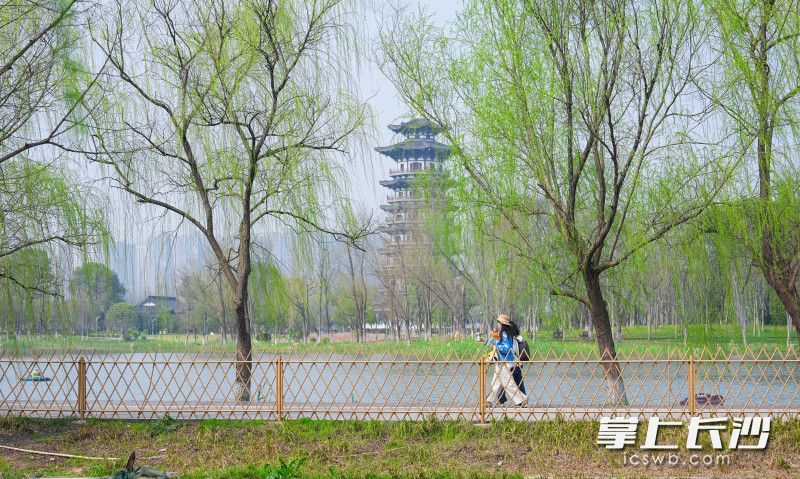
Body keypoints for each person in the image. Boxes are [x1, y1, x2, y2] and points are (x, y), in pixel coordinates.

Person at [480, 314, 527, 407]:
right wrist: (486, 341)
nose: (497, 324)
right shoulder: (504, 333)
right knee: (496, 383)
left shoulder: (505, 334)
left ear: (502, 323)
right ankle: (489, 402)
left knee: (509, 384)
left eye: (498, 322)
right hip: (502, 362)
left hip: (505, 362)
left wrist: (493, 346)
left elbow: (506, 348)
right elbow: (498, 344)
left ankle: (522, 400)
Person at [497, 319, 527, 405]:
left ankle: (502, 400)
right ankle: (522, 400)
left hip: (511, 364)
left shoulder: (510, 339)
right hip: (519, 363)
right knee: (519, 383)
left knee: (506, 383)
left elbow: (507, 350)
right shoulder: (518, 338)